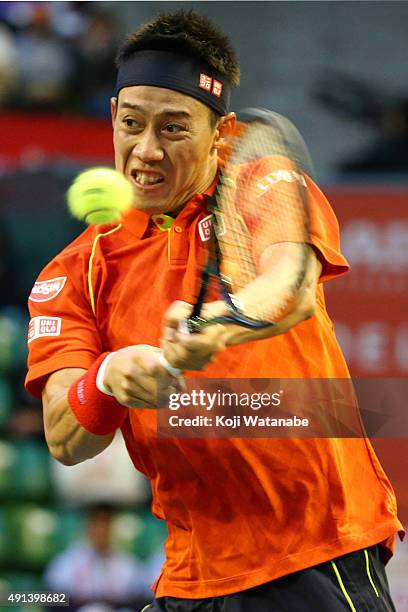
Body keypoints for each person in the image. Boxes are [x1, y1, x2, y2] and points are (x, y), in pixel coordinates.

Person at [26, 9, 403, 611]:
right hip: (190, 575)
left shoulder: (265, 182)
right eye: (131, 123)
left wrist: (211, 327)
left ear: (221, 134)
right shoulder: (77, 270)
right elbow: (63, 435)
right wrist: (107, 379)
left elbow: (290, 285)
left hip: (314, 551)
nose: (145, 149)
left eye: (173, 128)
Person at [44, 502, 151, 610]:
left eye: (106, 523)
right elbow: (45, 598)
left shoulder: (128, 564)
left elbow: (143, 599)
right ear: (86, 526)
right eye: (95, 523)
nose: (101, 529)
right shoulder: (66, 562)